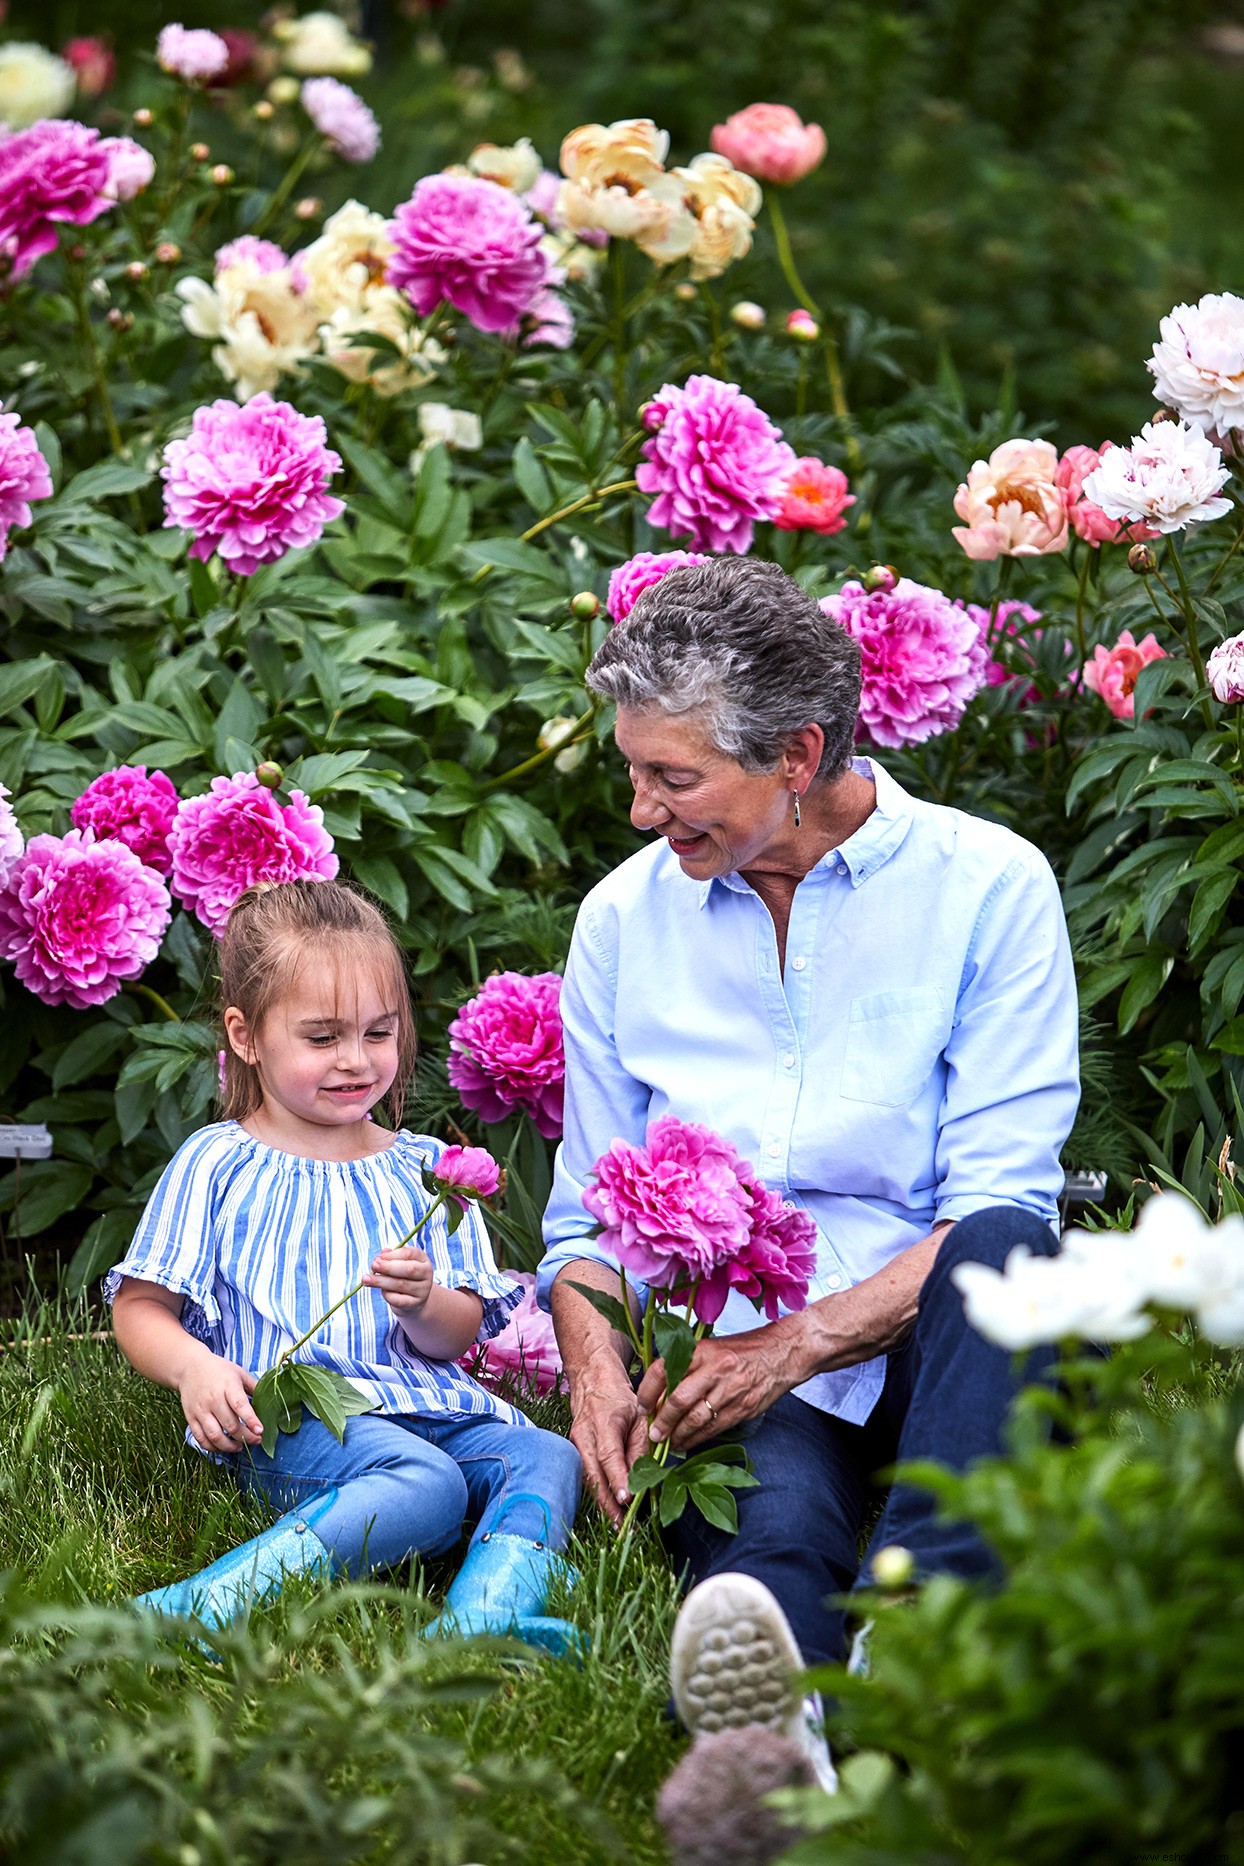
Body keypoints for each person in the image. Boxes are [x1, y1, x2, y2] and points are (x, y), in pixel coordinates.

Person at [537, 557, 1079, 1773]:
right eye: (633, 771)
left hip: (942, 1325)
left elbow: (1001, 1201)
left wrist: (795, 1341)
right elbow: (584, 1219)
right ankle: (767, 1719)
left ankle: (925, 1652)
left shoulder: (986, 889)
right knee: (769, 1530)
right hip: (731, 1332)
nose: (639, 809)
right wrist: (592, 1369)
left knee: (1007, 1252)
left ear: (795, 754)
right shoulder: (622, 921)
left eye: (672, 778)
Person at [108, 879, 582, 1648]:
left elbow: (454, 1340)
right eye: (323, 1038)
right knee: (426, 1486)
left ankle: (485, 1618)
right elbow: (140, 1307)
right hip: (295, 1413)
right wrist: (196, 1369)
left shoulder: (429, 1171)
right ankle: (202, 1607)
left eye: (378, 1034)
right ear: (246, 1035)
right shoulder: (219, 1161)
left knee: (545, 1455)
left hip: (432, 1408)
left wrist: (425, 1303)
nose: (355, 1062)